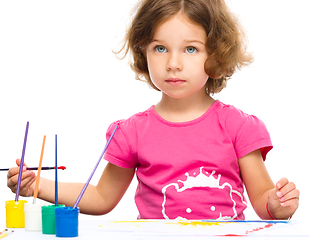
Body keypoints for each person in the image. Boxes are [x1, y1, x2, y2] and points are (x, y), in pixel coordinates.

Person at [7, 0, 299, 220]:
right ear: (143, 51)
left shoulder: (238, 127)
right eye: (160, 48)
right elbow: (100, 197)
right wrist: (39, 186)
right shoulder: (132, 131)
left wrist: (277, 204)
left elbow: (263, 199)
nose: (173, 63)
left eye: (191, 49)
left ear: (217, 53)